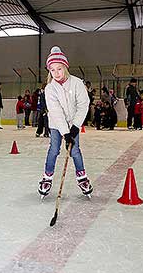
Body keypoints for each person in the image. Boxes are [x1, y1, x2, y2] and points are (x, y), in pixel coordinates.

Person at [38, 46, 93, 198]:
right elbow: (55, 112)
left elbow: (83, 104)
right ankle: (47, 177)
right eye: (53, 70)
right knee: (54, 149)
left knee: (75, 150)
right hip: (57, 124)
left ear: (65, 67)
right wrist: (66, 133)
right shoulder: (50, 89)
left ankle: (82, 177)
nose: (56, 73)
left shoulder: (77, 83)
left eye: (59, 69)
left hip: (74, 123)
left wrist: (75, 127)